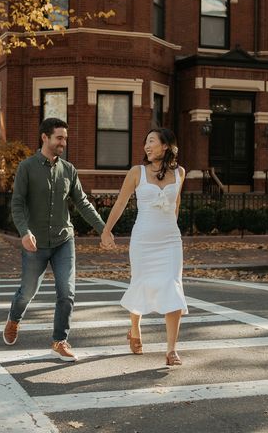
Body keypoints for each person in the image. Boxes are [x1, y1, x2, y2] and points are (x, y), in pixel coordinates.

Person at [3, 117, 110, 362]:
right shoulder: (26, 168)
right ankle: (14, 318)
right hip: (35, 243)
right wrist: (24, 231)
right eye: (59, 137)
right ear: (45, 137)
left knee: (67, 293)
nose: (63, 142)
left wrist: (103, 229)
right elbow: (17, 204)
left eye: (65, 138)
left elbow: (82, 202)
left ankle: (60, 340)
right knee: (26, 293)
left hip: (64, 241)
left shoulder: (69, 170)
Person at [100, 128, 187, 366]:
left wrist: (170, 229)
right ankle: (135, 330)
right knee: (141, 283)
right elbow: (121, 202)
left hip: (170, 241)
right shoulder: (137, 173)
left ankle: (171, 350)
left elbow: (176, 203)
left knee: (172, 285)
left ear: (166, 146)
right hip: (143, 241)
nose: (147, 146)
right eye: (145, 142)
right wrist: (107, 230)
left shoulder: (180, 172)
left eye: (152, 141)